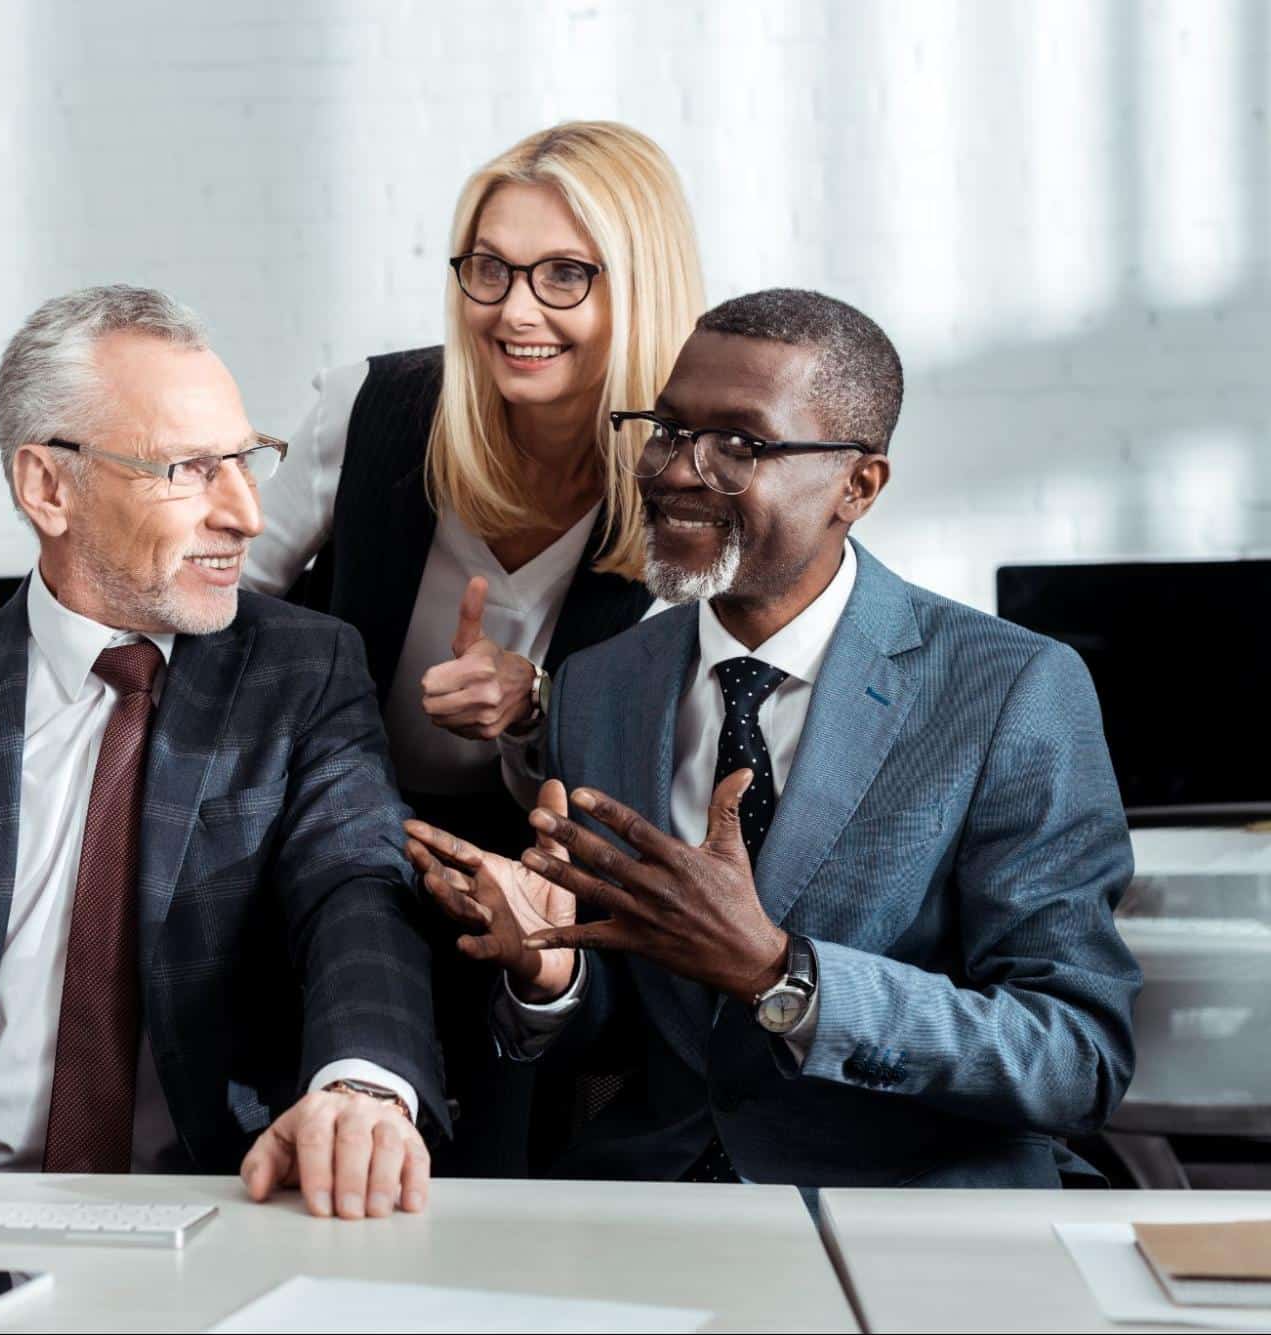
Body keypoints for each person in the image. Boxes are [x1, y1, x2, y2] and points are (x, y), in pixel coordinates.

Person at [406, 288, 1141, 1189]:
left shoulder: (1010, 688)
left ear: (856, 486)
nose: (677, 469)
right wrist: (551, 974)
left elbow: (1074, 1058)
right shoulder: (599, 686)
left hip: (905, 1215)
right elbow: (642, 1027)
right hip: (647, 1205)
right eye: (668, 430)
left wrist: (779, 975)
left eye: (739, 445)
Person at [0, 285, 446, 1221]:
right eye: (189, 470)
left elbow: (356, 888)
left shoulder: (303, 672)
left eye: (246, 461)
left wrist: (362, 1086)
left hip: (216, 1207)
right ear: (48, 487)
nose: (245, 513)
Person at [243, 121, 705, 1175]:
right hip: (334, 841)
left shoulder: (685, 483)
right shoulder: (373, 406)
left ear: (637, 286)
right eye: (489, 268)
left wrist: (535, 706)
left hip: (535, 879)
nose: (513, 310)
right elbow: (224, 605)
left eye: (562, 275)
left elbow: (667, 752)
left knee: (508, 1159)